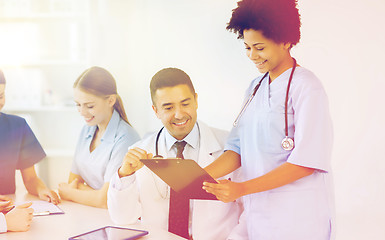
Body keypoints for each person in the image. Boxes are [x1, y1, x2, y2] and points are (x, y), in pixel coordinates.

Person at [202, 0, 335, 239]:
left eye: (259, 47)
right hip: (258, 215)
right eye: (247, 47)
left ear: (285, 41)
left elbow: (306, 161)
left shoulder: (307, 87)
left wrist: (241, 189)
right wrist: (198, 176)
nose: (252, 55)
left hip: (297, 219)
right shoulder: (255, 87)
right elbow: (236, 148)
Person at [107, 68, 246, 240]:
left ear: (196, 100)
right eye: (168, 107)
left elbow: (250, 209)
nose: (179, 114)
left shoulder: (230, 147)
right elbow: (122, 218)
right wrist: (124, 174)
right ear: (155, 110)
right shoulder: (140, 151)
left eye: (185, 103)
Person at [58, 66, 140, 208]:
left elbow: (105, 200)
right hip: (89, 212)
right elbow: (73, 181)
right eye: (78, 105)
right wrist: (91, 194)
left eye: (89, 106)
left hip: (118, 218)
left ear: (110, 100)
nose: (82, 112)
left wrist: (69, 193)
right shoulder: (87, 130)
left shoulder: (126, 138)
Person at [0, 69, 60, 202]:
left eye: (0, 96)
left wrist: (42, 190)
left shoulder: (17, 126)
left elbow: (31, 179)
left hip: (10, 210)